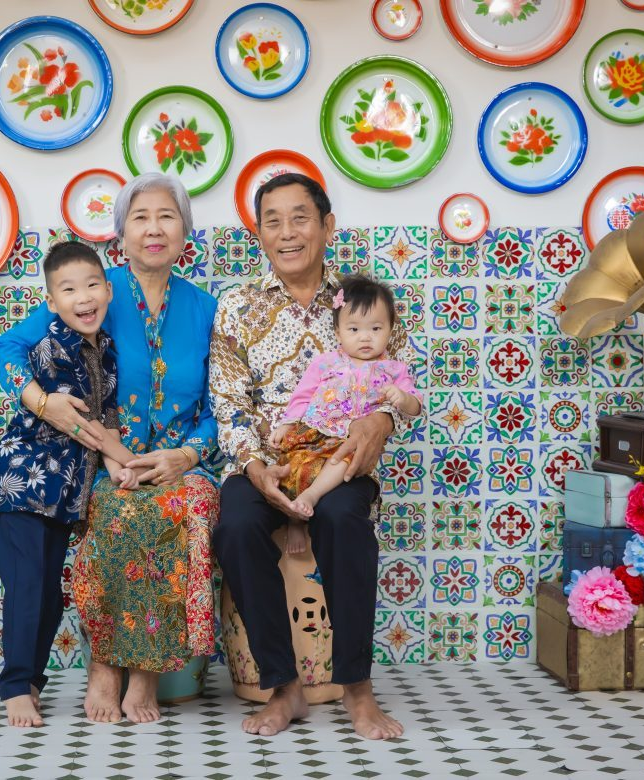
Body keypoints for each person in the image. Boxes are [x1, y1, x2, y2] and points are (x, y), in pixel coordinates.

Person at [0, 172, 220, 726]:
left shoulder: (207, 309)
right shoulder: (93, 291)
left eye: (167, 216)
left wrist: (187, 455)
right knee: (119, 511)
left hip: (179, 466)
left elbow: (221, 406)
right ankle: (107, 668)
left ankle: (144, 676)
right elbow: (5, 349)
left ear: (185, 230)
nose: (154, 229)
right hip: (99, 465)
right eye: (140, 218)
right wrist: (44, 403)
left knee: (179, 505)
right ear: (121, 234)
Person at [210, 172, 416, 741]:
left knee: (345, 519)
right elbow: (228, 403)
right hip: (265, 460)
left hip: (337, 462)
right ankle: (284, 688)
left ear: (327, 225)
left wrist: (381, 420)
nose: (287, 233)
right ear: (258, 233)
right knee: (235, 527)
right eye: (272, 222)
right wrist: (256, 466)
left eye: (300, 218)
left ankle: (357, 688)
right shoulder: (237, 306)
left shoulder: (362, 299)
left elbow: (400, 385)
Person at [0, 241, 141, 728]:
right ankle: (15, 687)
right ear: (51, 302)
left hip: (61, 495)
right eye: (69, 290)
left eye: (92, 285)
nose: (84, 297)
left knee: (50, 594)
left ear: (109, 291)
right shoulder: (55, 348)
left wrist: (117, 466)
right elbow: (83, 426)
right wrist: (132, 460)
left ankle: (32, 680)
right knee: (28, 586)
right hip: (23, 487)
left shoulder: (106, 352)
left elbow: (107, 419)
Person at [268, 274, 422, 555]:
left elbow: (416, 407)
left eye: (376, 328)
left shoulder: (394, 369)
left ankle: (311, 496)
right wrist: (287, 424)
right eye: (354, 329)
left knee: (342, 461)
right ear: (338, 333)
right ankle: (294, 520)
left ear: (390, 331)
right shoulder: (326, 362)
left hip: (349, 440)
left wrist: (404, 398)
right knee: (295, 468)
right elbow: (303, 395)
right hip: (315, 430)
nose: (365, 337)